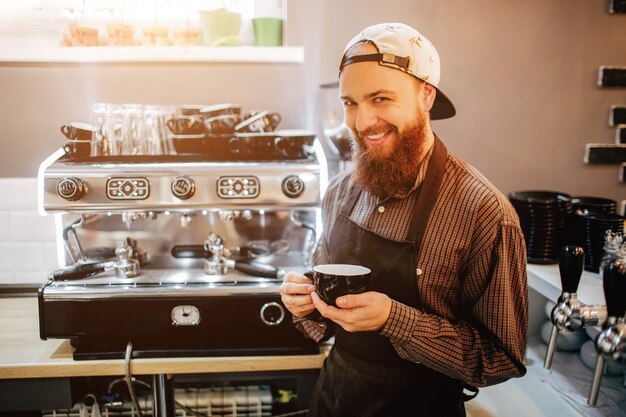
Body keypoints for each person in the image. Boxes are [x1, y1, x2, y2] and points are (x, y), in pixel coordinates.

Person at [279, 22, 528, 417]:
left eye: (380, 98)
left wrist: (396, 320)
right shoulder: (340, 193)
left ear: (425, 95)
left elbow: (499, 359)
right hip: (336, 398)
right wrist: (306, 304)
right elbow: (325, 317)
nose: (362, 122)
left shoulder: (483, 212)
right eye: (351, 102)